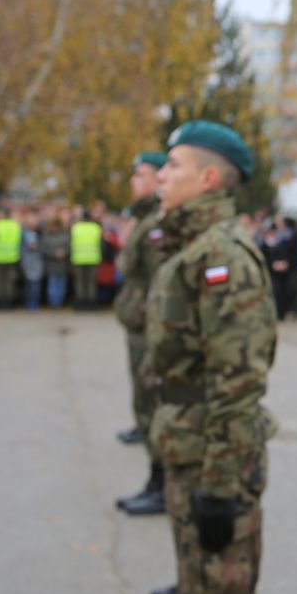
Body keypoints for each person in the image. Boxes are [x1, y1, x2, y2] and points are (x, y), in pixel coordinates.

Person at [145, 120, 277, 594]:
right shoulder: (190, 247)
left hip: (212, 458)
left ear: (208, 178)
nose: (160, 176)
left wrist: (221, 485)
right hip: (190, 446)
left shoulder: (222, 255)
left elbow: (239, 382)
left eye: (172, 166)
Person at [114, 151, 170, 519]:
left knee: (154, 409)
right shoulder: (143, 220)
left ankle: (161, 484)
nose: (135, 182)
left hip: (149, 329)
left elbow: (157, 283)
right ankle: (158, 481)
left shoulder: (155, 225)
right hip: (138, 325)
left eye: (141, 175)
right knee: (144, 406)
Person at [0, 209, 23, 309]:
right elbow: (19, 240)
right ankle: (9, 302)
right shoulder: (16, 226)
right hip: (12, 257)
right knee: (9, 281)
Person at [70, 211, 102, 310]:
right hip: (93, 258)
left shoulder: (75, 228)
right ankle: (91, 302)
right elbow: (101, 244)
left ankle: (80, 302)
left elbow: (70, 243)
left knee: (80, 282)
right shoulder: (96, 228)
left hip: (78, 258)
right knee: (91, 282)